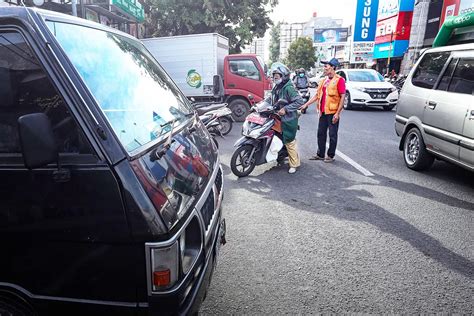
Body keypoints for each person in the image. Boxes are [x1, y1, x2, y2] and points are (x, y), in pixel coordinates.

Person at [300, 57, 345, 163]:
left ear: (333, 67)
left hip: (333, 112)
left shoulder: (339, 80)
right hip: (323, 112)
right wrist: (305, 104)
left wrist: (337, 113)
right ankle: (320, 154)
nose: (324, 68)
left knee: (332, 135)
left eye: (326, 66)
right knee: (321, 133)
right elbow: (317, 95)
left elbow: (342, 97)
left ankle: (330, 155)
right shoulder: (323, 80)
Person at [270, 64, 304, 174]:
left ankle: (294, 164)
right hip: (278, 117)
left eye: (277, 75)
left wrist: (286, 109)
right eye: (274, 75)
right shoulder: (277, 86)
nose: (275, 77)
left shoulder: (289, 88)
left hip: (288, 119)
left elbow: (299, 101)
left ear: (284, 76)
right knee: (279, 137)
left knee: (289, 141)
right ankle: (281, 156)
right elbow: (270, 98)